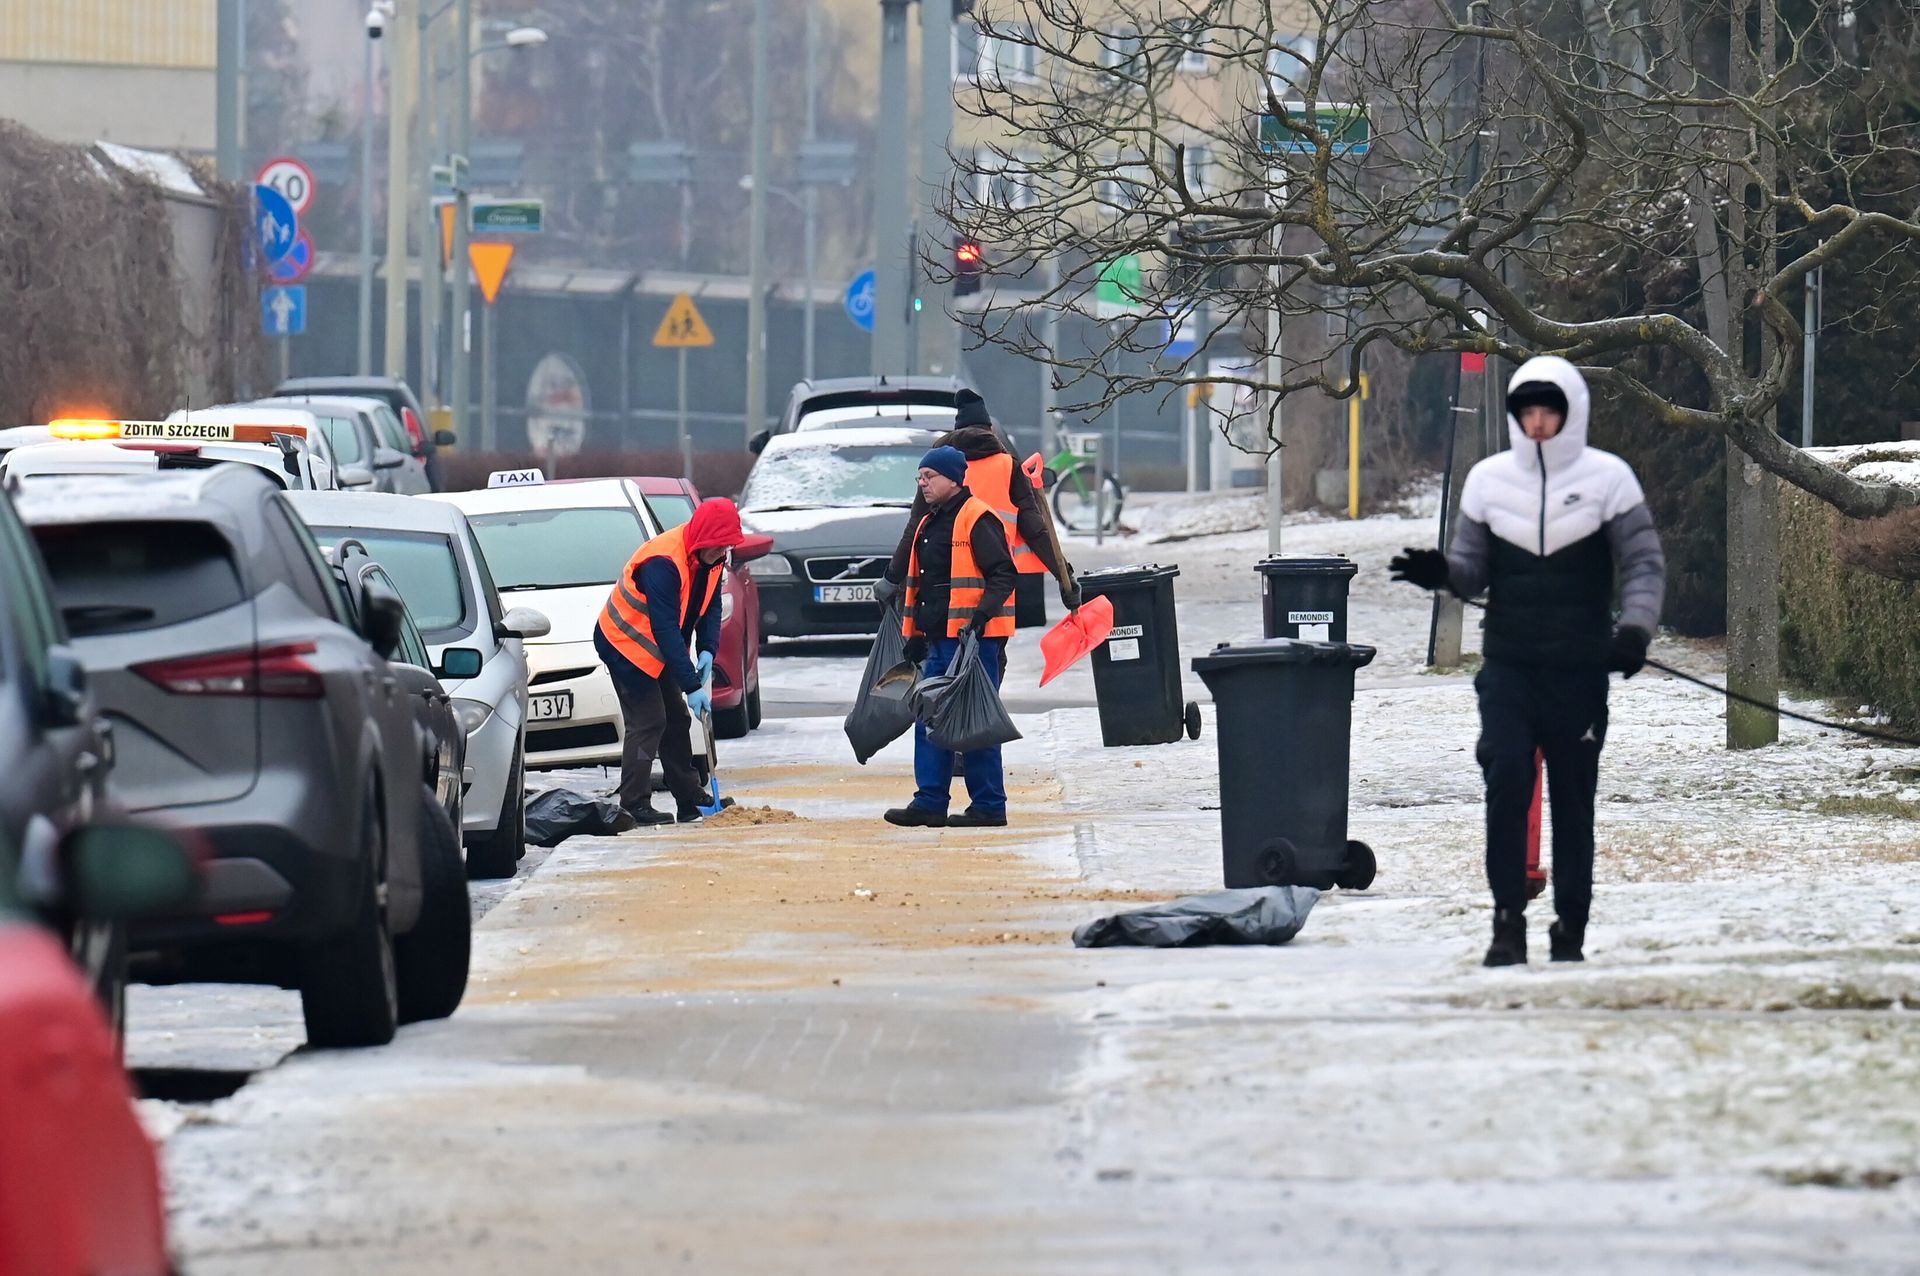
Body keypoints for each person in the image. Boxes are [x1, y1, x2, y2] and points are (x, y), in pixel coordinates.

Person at [1390, 356, 1665, 966]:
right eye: (1528, 413)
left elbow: (1644, 565)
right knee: (1506, 777)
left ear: (1571, 415)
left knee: (1573, 799)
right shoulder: (1489, 482)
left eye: (1550, 412)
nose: (1539, 424)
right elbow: (1470, 569)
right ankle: (1506, 922)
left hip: (1579, 671)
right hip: (1510, 666)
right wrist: (1441, 574)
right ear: (1516, 417)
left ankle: (1571, 927)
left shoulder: (1609, 480)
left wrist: (1635, 631)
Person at [881, 445, 1020, 829]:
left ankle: (989, 806)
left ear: (954, 479)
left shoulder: (977, 517)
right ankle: (929, 802)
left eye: (929, 477)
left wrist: (979, 619)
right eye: (919, 478)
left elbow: (1004, 575)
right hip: (938, 640)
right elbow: (925, 586)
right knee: (928, 720)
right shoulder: (928, 523)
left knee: (975, 722)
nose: (922, 484)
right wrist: (916, 634)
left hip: (974, 645)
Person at [593, 498, 748, 826]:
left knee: (676, 720)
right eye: (718, 548)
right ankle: (634, 802)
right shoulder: (663, 563)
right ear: (703, 539)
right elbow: (665, 629)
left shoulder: (710, 558)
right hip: (624, 643)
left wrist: (708, 648)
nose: (722, 554)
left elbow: (710, 606)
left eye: (726, 548)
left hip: (655, 645)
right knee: (649, 721)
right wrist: (691, 685)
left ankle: (689, 798)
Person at [877, 388, 1081, 616]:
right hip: (995, 581)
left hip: (941, 582)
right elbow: (1035, 531)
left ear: (957, 429)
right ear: (990, 430)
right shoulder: (1007, 466)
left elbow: (915, 526)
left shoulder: (937, 469)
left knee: (944, 648)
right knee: (988, 647)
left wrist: (891, 578)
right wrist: (1065, 576)